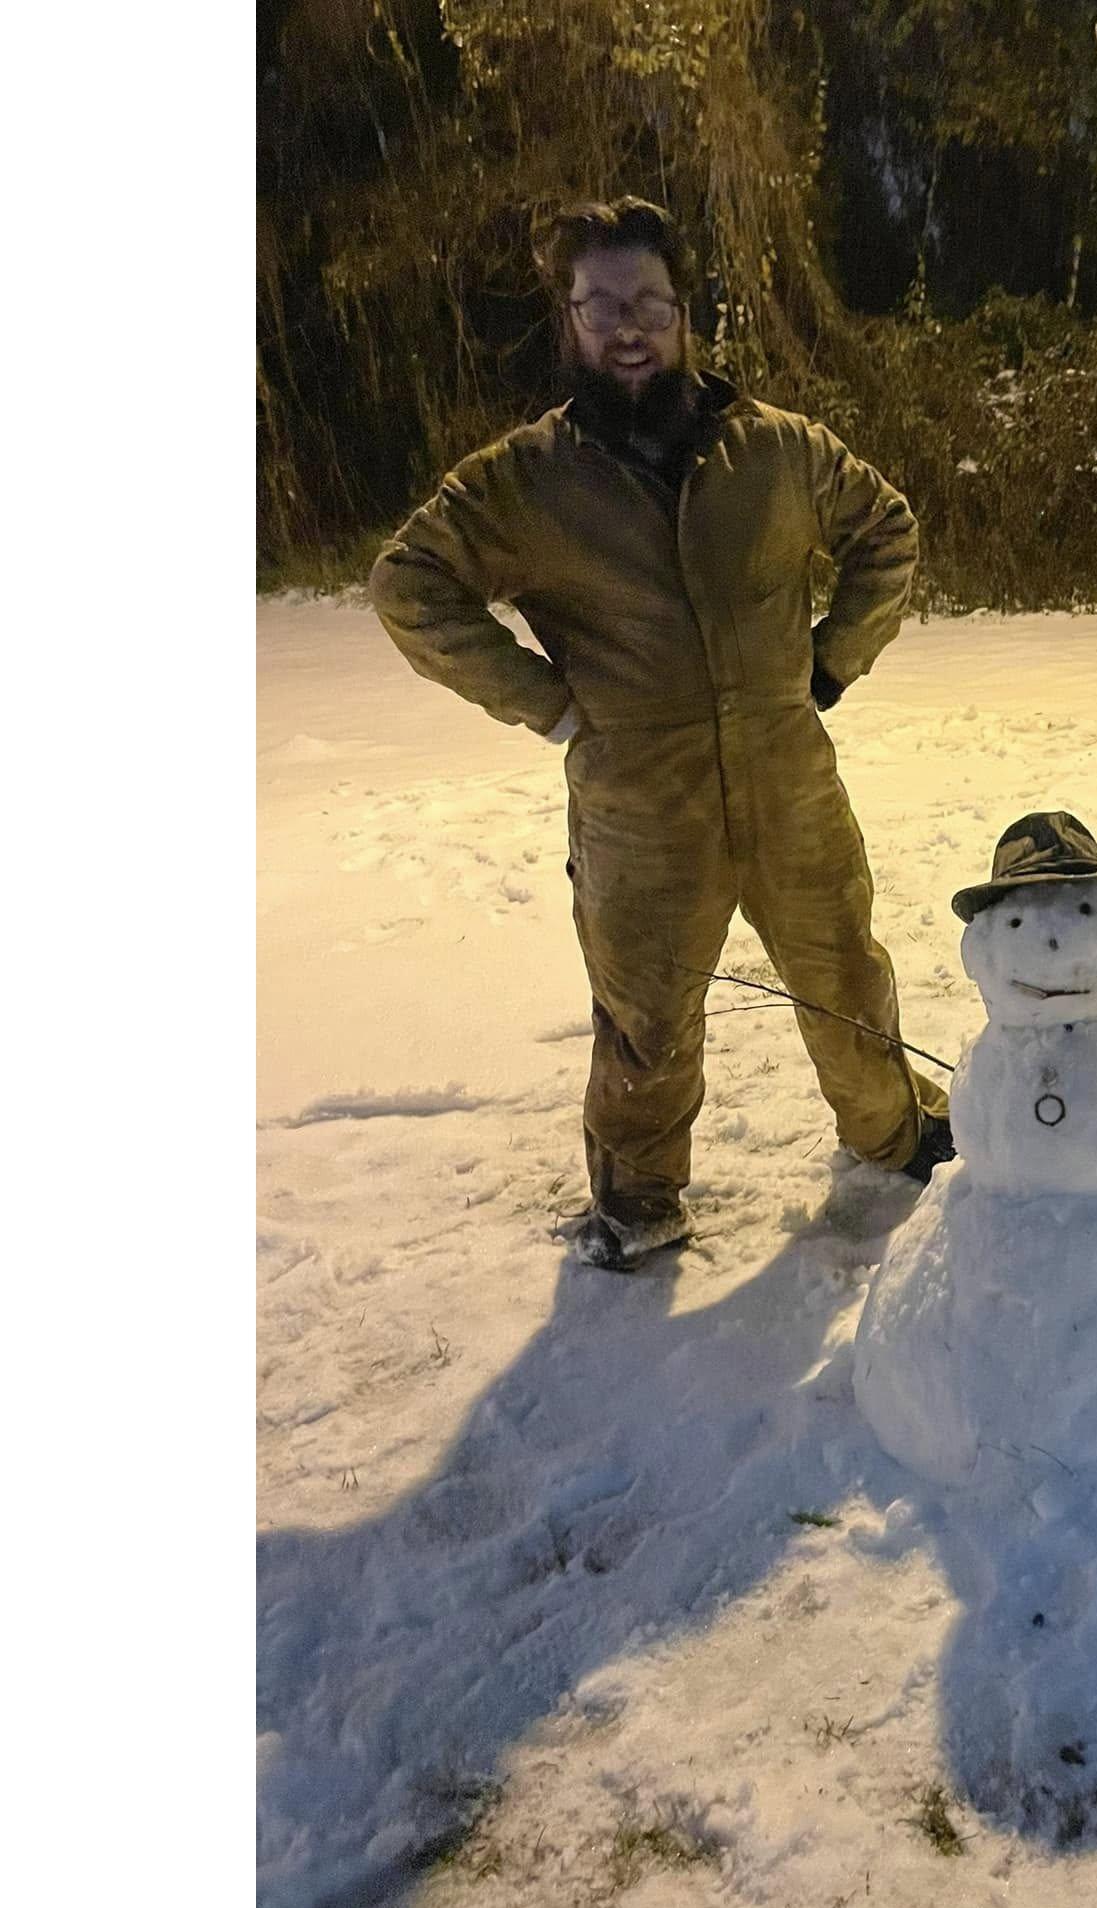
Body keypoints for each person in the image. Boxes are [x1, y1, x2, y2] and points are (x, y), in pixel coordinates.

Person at [367, 196, 952, 1271]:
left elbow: (885, 528)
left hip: (789, 781)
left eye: (646, 301)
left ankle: (894, 1133)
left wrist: (831, 657)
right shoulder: (523, 481)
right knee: (645, 1020)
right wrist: (543, 700)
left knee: (844, 974)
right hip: (639, 805)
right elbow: (408, 583)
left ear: (687, 314)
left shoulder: (775, 450)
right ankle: (637, 1197)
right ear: (570, 322)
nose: (625, 325)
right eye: (599, 305)